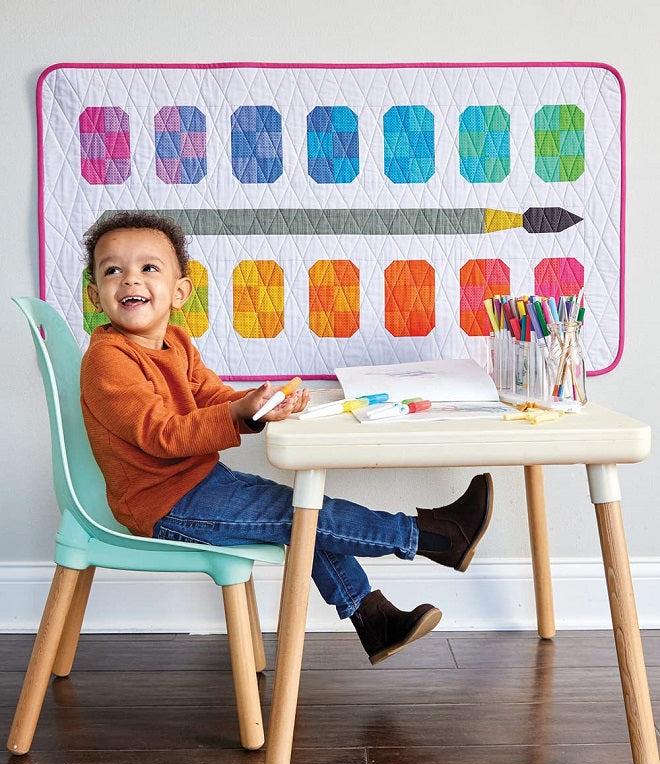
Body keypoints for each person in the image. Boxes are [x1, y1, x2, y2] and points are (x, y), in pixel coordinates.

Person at [80, 211, 493, 665]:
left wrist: (258, 405)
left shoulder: (176, 342)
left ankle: (374, 619)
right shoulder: (108, 361)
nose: (129, 280)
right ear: (94, 294)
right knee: (306, 518)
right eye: (112, 270)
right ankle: (431, 536)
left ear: (180, 292)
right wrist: (236, 413)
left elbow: (210, 395)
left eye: (148, 268)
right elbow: (162, 435)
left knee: (304, 515)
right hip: (164, 506)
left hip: (200, 484)